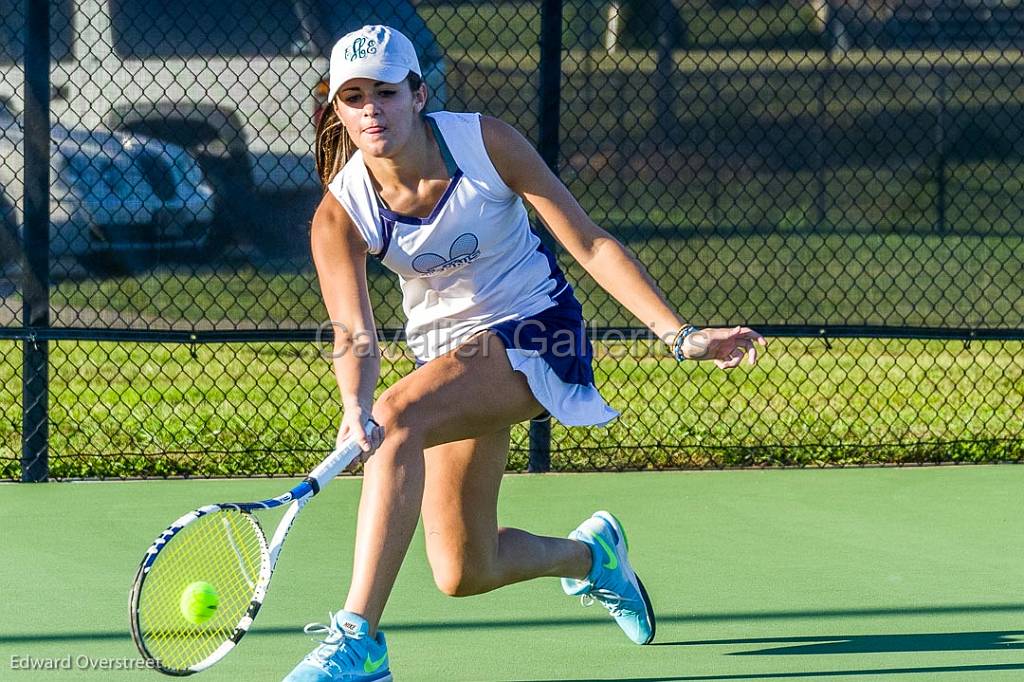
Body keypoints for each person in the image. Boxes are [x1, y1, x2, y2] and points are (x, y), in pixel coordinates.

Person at [284, 25, 767, 682]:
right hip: (450, 359)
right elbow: (353, 332)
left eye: (387, 93)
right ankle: (592, 558)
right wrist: (352, 402)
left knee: (399, 416)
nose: (373, 111)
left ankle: (358, 642)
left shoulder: (486, 142)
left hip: (539, 330)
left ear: (419, 94)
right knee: (463, 569)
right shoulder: (339, 214)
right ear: (337, 108)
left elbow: (589, 243)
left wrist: (678, 335)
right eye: (355, 97)